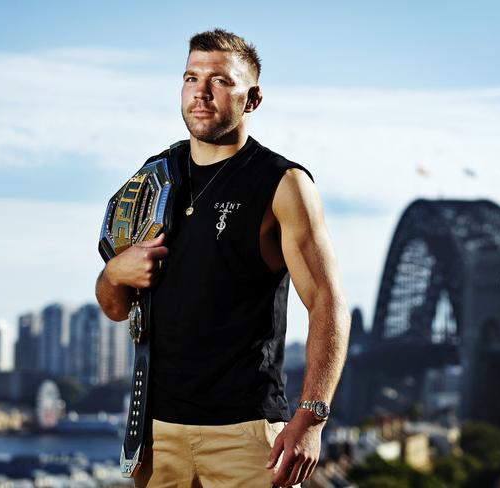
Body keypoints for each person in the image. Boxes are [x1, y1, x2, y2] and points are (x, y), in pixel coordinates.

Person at [96, 28, 350, 488]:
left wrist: (311, 419)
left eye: (220, 80)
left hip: (248, 436)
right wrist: (115, 271)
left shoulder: (283, 183)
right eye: (192, 77)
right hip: (157, 435)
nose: (202, 91)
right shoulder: (153, 181)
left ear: (252, 99)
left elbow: (328, 303)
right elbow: (115, 307)